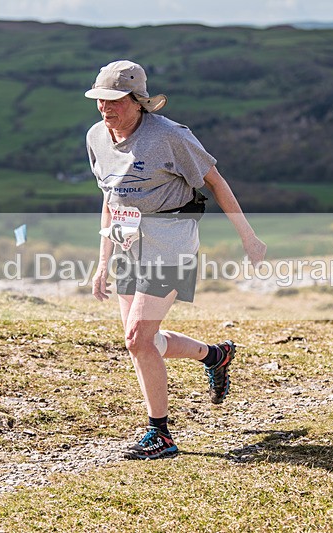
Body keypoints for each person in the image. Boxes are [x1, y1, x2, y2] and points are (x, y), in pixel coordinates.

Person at [85, 60, 267, 460]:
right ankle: (215, 355)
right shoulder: (96, 137)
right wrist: (103, 261)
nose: (105, 108)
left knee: (137, 338)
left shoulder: (169, 136)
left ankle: (161, 435)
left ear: (138, 101)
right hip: (129, 245)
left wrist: (249, 238)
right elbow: (110, 198)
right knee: (143, 342)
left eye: (114, 100)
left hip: (171, 243)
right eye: (100, 99)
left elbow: (215, 181)